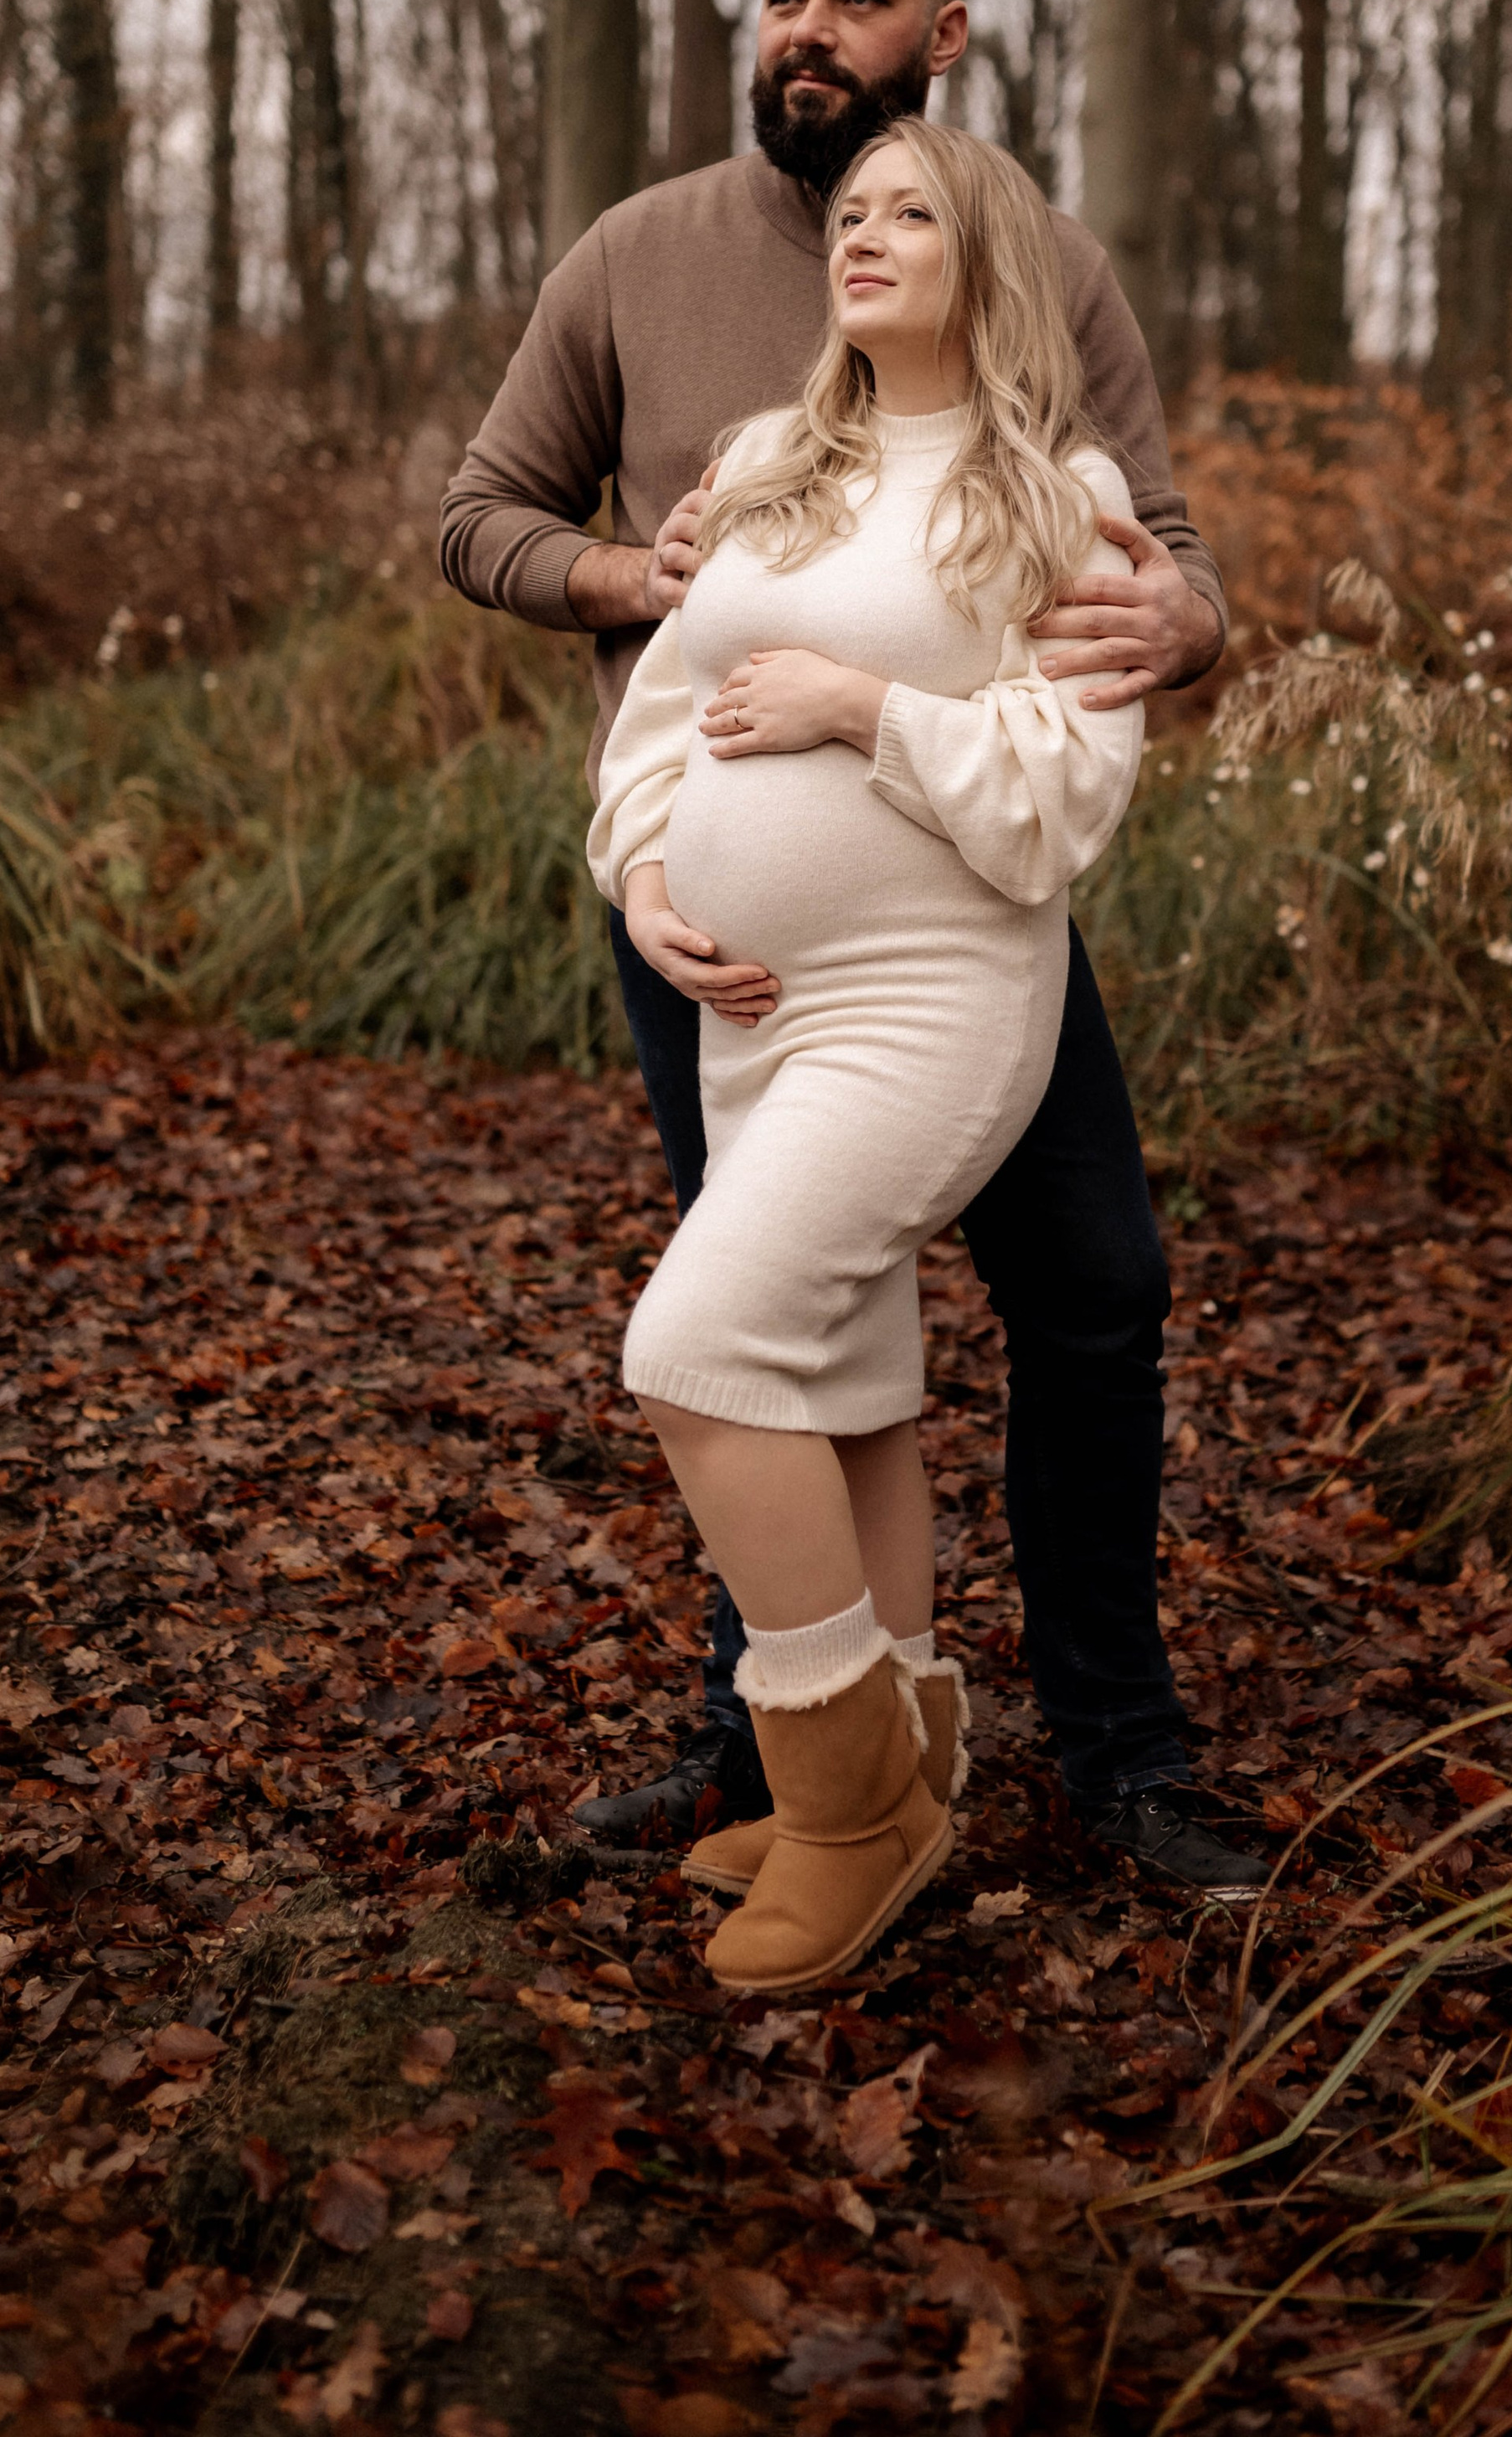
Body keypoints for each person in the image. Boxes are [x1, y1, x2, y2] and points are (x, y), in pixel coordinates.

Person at [441, 0, 1261, 1895]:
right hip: (707, 932)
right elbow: (482, 517)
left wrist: (1190, 628)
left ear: (942, 36)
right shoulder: (637, 254)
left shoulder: (1040, 264)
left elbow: (1148, 553)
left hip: (961, 935)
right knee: (787, 1320)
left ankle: (1114, 1743)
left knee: (1092, 1294)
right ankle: (781, 1757)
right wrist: (639, 577)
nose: (807, 28)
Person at [589, 119, 1152, 1988]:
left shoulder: (1059, 497)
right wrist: (647, 874)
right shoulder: (764, 463)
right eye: (850, 212)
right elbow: (662, 714)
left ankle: (845, 1815)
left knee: (693, 1348)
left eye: (912, 212)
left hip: (929, 999)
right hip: (750, 1009)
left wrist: (861, 707)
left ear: (988, 258)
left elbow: (1064, 795)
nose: (865, 234)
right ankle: (904, 1755)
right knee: (840, 1382)